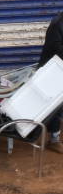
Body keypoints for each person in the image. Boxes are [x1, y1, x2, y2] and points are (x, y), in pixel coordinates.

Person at [39, 10, 63, 153]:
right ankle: (54, 139)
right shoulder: (58, 24)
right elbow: (57, 49)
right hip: (52, 72)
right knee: (56, 106)